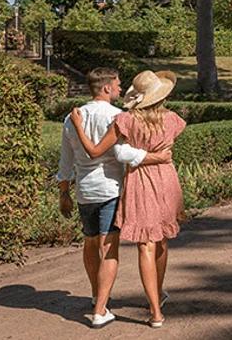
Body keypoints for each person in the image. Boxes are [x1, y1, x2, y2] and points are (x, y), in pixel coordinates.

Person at [57, 68, 172, 328]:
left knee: (90, 244)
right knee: (109, 248)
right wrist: (158, 158)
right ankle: (100, 311)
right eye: (118, 85)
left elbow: (65, 161)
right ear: (106, 88)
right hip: (110, 189)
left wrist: (63, 192)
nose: (121, 90)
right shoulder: (118, 117)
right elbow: (124, 153)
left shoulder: (71, 117)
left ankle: (98, 294)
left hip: (84, 191)